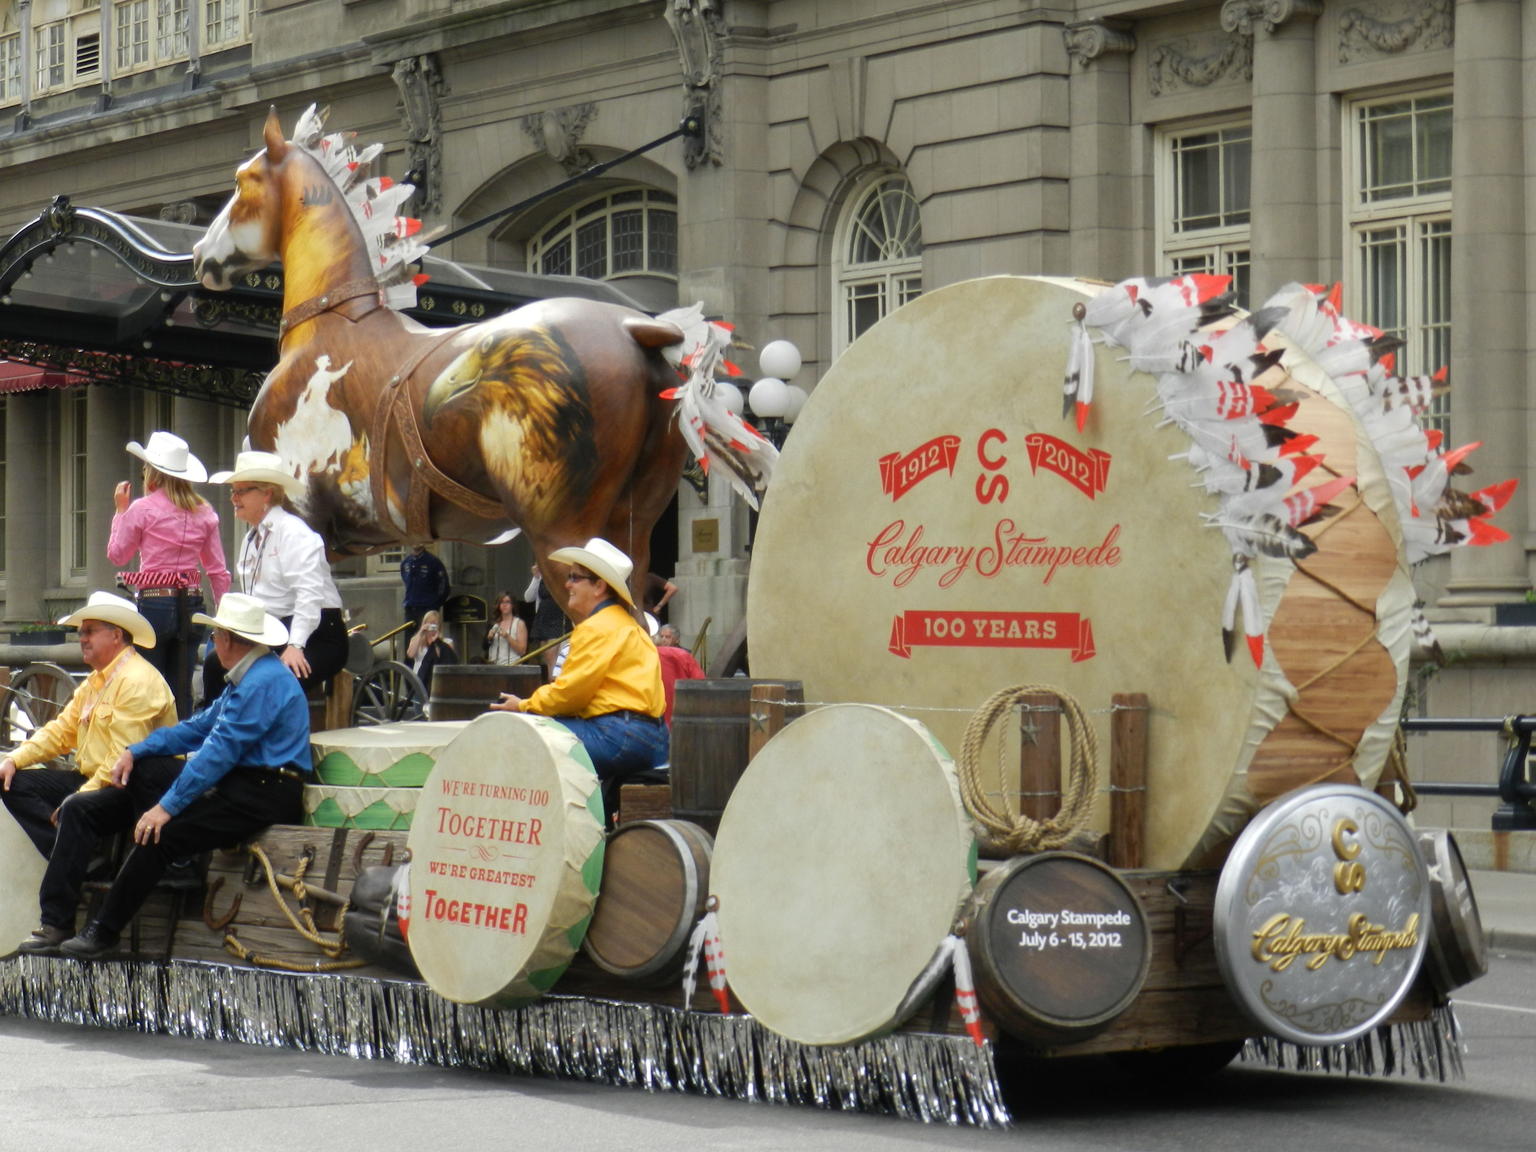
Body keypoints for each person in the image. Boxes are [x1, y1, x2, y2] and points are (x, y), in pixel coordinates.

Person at [48, 594, 312, 959]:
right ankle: (173, 862)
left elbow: (218, 753)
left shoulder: (260, 682)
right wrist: (136, 750)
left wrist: (165, 809)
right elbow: (198, 728)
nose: (211, 644)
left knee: (162, 836)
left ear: (228, 641)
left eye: (215, 636)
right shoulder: (253, 675)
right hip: (250, 784)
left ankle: (105, 931)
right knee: (148, 767)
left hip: (265, 792)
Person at [1, 593, 177, 867]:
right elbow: (60, 731)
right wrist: (14, 759)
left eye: (90, 631)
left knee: (75, 806)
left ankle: (73, 855)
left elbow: (121, 760)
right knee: (10, 780)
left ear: (116, 635)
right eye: (82, 632)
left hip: (125, 791)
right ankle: (72, 852)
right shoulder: (97, 680)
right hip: (94, 781)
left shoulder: (137, 680)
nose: (82, 638)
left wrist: (78, 797)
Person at [491, 538, 667, 805]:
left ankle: (534, 826)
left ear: (599, 586)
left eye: (574, 577)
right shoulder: (628, 627)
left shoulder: (596, 627)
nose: (567, 584)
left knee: (523, 737)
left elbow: (570, 695)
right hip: (654, 738)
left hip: (618, 735)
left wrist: (524, 706)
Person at [202, 450, 348, 701]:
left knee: (268, 686)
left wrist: (296, 645)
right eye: (233, 491)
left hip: (318, 634)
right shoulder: (251, 539)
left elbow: (309, 594)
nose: (234, 498)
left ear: (267, 493)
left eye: (242, 491)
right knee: (215, 665)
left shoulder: (293, 533)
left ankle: (253, 736)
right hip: (272, 633)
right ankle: (216, 733)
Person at [107, 431, 231, 717]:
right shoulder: (205, 512)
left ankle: (149, 754)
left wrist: (120, 511)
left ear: (153, 472)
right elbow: (217, 571)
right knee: (181, 688)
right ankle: (180, 753)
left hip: (154, 603)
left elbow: (117, 555)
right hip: (192, 603)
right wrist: (222, 618)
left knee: (148, 685)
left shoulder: (142, 509)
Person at [653, 621, 705, 727]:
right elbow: (700, 681)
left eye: (667, 637)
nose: (663, 639)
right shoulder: (683, 655)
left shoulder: (652, 654)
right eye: (661, 636)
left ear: (677, 639)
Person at [524, 565, 570, 676]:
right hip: (544, 619)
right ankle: (551, 679)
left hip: (558, 620)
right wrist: (536, 577)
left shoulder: (563, 577)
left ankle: (554, 680)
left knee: (552, 654)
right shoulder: (542, 577)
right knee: (546, 656)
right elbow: (528, 598)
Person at [401, 544, 450, 632]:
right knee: (411, 641)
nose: (415, 542)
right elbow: (406, 581)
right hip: (411, 608)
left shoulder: (433, 562)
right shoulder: (406, 562)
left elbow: (444, 586)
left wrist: (434, 605)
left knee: (429, 638)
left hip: (428, 608)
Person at [406, 608, 455, 691]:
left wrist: (437, 641)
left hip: (439, 681)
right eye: (429, 623)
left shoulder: (447, 642)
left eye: (434, 623)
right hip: (419, 680)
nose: (431, 626)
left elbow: (448, 660)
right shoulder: (416, 639)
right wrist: (421, 632)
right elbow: (410, 654)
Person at [483, 591, 527, 665]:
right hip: (494, 666)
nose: (504, 605)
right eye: (501, 602)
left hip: (513, 665)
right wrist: (489, 638)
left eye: (507, 602)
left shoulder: (519, 624)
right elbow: (484, 647)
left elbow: (522, 651)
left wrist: (507, 637)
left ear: (513, 605)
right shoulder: (493, 623)